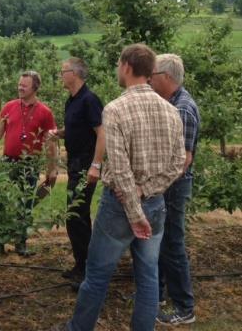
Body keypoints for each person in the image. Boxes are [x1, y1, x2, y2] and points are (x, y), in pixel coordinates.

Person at [56, 44, 186, 331]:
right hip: (154, 205)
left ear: (127, 66)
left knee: (98, 273)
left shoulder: (115, 110)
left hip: (120, 208)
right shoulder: (170, 110)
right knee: (148, 276)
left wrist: (133, 207)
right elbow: (179, 163)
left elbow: (121, 169)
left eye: (118, 64)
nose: (117, 69)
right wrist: (146, 191)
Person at [150, 53, 200, 326]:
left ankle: (184, 307)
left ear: (166, 78)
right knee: (161, 242)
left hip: (174, 187)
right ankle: (155, 296)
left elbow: (183, 159)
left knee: (172, 244)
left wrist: (158, 185)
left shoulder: (181, 108)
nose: (149, 79)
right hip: (167, 184)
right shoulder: (171, 103)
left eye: (153, 75)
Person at [48, 57, 105, 282]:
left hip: (85, 165)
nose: (61, 75)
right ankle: (81, 264)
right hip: (74, 164)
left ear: (75, 73)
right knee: (74, 216)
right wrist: (61, 133)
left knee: (77, 216)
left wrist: (96, 165)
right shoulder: (71, 100)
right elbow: (77, 128)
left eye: (63, 71)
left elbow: (102, 132)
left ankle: (86, 269)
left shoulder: (90, 100)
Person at [0, 70, 58, 256]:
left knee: (25, 204)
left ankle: (20, 243)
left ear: (35, 87)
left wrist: (51, 168)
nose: (20, 87)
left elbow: (50, 142)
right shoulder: (9, 106)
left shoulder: (45, 113)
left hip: (29, 165)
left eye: (24, 85)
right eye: (19, 83)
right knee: (2, 201)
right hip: (7, 162)